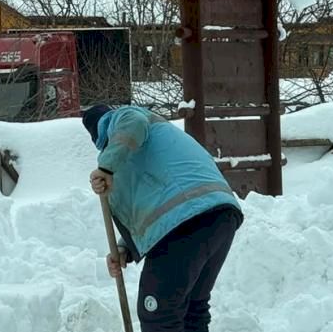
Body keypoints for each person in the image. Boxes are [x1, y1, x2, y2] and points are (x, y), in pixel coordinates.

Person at [81, 104, 244, 332]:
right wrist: (124, 248)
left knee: (158, 313)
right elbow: (147, 205)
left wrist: (106, 167)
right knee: (191, 310)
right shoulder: (140, 149)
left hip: (187, 220)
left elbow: (132, 125)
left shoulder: (125, 117)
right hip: (220, 216)